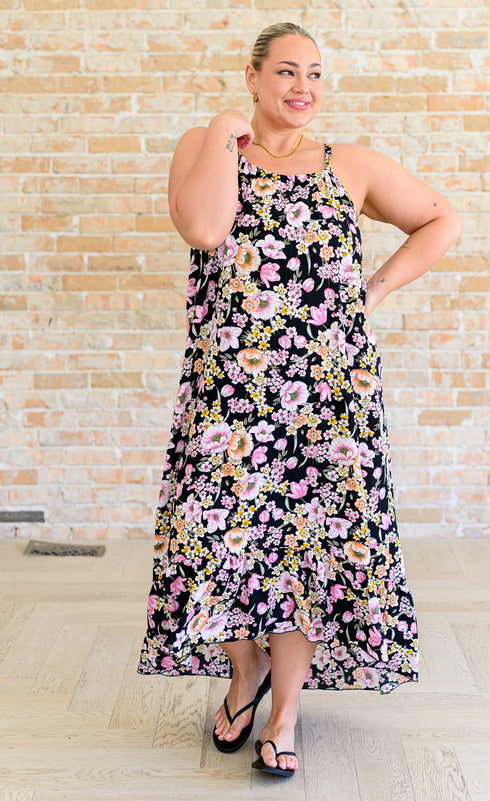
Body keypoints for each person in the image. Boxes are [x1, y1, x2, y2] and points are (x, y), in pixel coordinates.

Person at [138, 21, 462, 779]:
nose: (302, 88)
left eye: (314, 74)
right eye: (285, 72)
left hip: (329, 397)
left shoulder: (347, 164)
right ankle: (243, 672)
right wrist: (226, 128)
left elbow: (440, 218)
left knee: (307, 554)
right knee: (210, 540)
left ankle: (285, 712)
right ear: (250, 78)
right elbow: (203, 226)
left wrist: (371, 291)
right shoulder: (209, 143)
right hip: (228, 396)